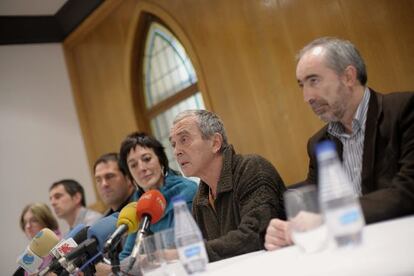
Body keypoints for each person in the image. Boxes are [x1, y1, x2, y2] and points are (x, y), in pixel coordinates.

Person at [265, 37, 414, 251]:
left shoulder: (404, 111)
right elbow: (312, 207)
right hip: (348, 250)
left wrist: (330, 218)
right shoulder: (319, 143)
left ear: (348, 77)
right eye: (302, 85)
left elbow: (408, 192)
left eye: (313, 80)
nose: (307, 97)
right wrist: (282, 229)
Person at [169, 109, 286, 261]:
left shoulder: (252, 168)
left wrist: (185, 253)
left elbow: (255, 236)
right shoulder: (200, 198)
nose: (177, 152)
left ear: (215, 143)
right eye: (173, 144)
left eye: (184, 140)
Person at [118, 131, 198, 260]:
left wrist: (146, 259)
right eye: (133, 165)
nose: (141, 168)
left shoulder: (185, 191)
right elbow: (127, 256)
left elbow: (181, 246)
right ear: (130, 176)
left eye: (147, 159)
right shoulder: (136, 204)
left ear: (161, 160)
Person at [17, 203, 61, 276]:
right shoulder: (32, 250)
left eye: (34, 220)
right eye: (25, 222)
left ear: (46, 221)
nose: (28, 226)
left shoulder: (59, 245)